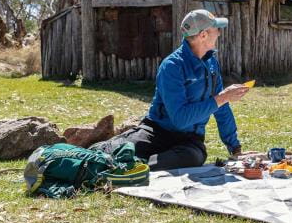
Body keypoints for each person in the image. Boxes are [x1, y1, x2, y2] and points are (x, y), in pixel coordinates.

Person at [91, 9, 249, 170]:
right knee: (109, 154)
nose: (219, 33)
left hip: (189, 140)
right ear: (203, 35)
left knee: (194, 157)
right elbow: (180, 119)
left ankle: (137, 167)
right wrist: (222, 98)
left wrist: (235, 149)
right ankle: (130, 162)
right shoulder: (172, 66)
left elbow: (222, 109)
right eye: (216, 29)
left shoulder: (211, 64)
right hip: (156, 132)